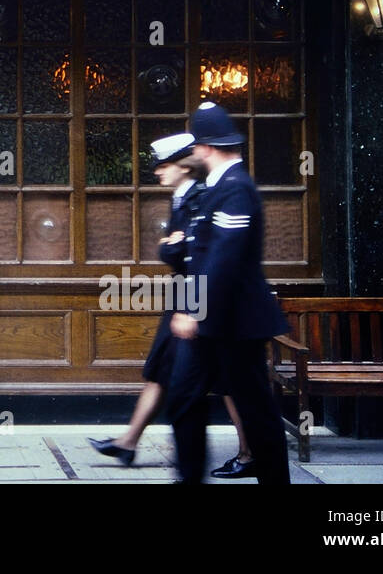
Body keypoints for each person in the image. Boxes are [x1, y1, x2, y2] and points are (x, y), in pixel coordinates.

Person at [88, 133, 254, 475]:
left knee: (225, 380)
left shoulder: (198, 198)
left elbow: (193, 252)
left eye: (163, 165)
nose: (157, 172)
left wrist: (173, 249)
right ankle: (129, 442)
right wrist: (170, 247)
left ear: (184, 166)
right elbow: (171, 249)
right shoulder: (182, 197)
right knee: (161, 369)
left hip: (199, 297)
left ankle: (250, 453)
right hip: (185, 296)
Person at [165, 102, 291, 485]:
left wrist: (193, 310)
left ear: (206, 147)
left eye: (196, 146)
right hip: (213, 322)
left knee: (257, 413)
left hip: (237, 322)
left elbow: (224, 256)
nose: (193, 153)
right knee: (184, 399)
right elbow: (201, 250)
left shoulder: (236, 188)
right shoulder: (216, 188)